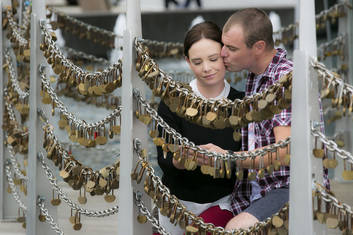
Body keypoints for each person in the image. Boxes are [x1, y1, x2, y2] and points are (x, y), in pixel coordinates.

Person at [200, 8, 329, 230]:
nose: (222, 53)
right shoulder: (257, 75)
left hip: (291, 189)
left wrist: (226, 158)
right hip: (254, 190)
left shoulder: (285, 79)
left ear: (258, 47)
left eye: (231, 48)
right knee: (197, 225)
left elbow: (282, 154)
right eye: (223, 45)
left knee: (235, 229)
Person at [156, 21, 244, 234]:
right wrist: (182, 159)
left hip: (222, 201)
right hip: (175, 202)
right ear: (187, 61)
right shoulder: (172, 100)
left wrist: (225, 156)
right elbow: (163, 159)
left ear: (224, 53)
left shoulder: (243, 103)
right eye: (197, 62)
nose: (206, 68)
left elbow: (251, 159)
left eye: (213, 59)